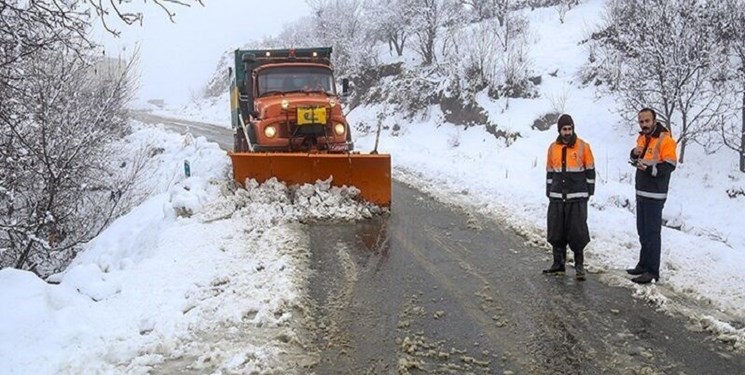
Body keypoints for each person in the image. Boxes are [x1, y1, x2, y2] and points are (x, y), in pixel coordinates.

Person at [626, 108, 677, 284]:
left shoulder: (665, 140)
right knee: (642, 230)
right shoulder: (642, 138)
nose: (644, 124)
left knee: (652, 233)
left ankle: (652, 271)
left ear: (654, 121)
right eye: (641, 121)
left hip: (655, 194)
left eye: (647, 121)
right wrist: (633, 154)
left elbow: (669, 165)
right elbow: (637, 160)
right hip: (641, 191)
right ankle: (643, 264)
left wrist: (649, 170)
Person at [543, 114, 595, 281]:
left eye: (569, 129)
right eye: (564, 129)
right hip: (557, 197)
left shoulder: (583, 147)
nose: (567, 132)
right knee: (556, 231)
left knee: (577, 232)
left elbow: (590, 171)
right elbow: (550, 171)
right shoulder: (552, 148)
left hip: (577, 197)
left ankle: (579, 265)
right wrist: (549, 191)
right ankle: (558, 264)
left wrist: (589, 192)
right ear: (559, 130)